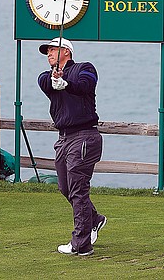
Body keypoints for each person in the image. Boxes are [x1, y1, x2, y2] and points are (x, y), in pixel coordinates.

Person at [37, 37, 106, 256]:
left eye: (52, 50)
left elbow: (85, 85)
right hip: (64, 138)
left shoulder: (84, 69)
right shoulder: (46, 76)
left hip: (84, 136)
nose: (48, 54)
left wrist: (67, 83)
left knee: (78, 189)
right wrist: (56, 79)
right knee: (65, 188)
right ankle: (94, 220)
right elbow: (45, 83)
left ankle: (81, 244)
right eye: (47, 51)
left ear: (66, 51)